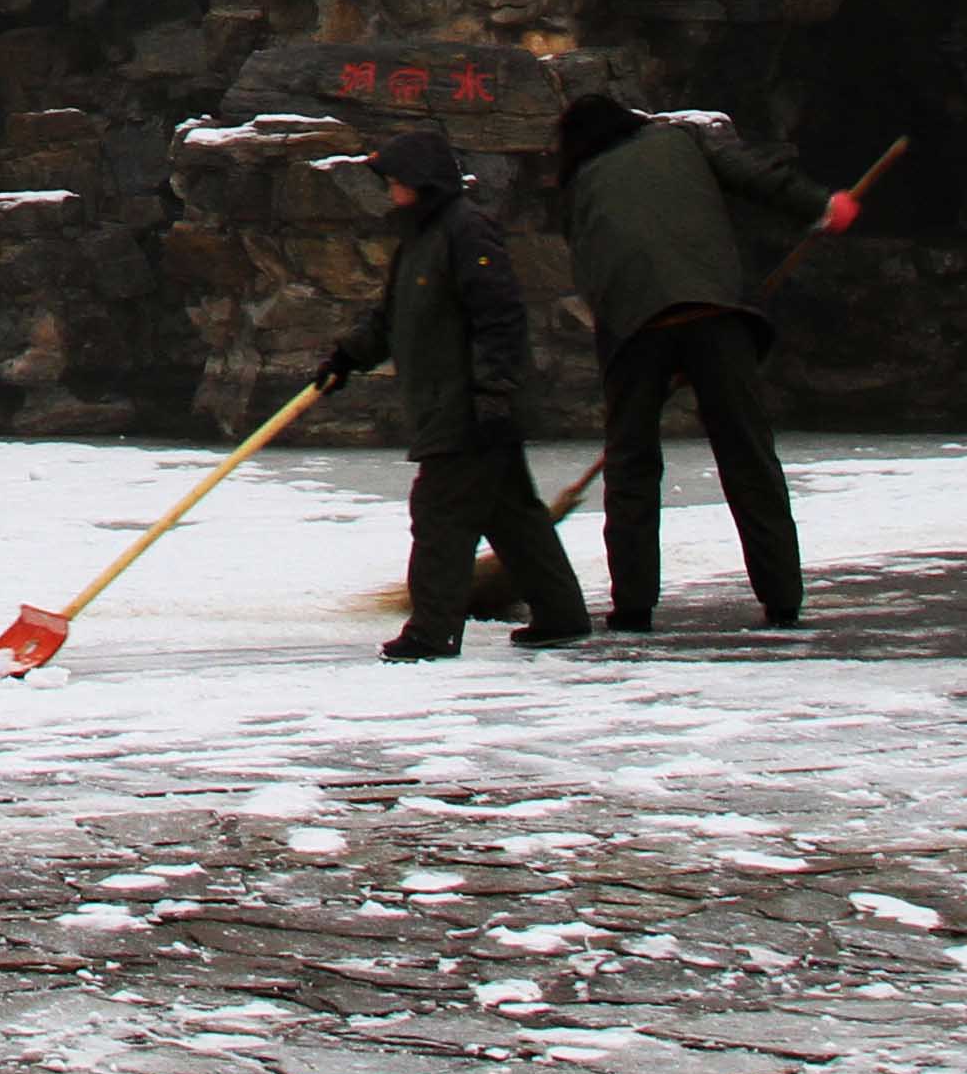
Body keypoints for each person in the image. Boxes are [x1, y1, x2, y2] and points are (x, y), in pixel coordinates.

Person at [551, 93, 852, 632]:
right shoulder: (681, 139)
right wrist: (821, 206)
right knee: (747, 458)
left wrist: (627, 362)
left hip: (635, 327)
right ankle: (782, 598)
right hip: (715, 317)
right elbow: (753, 175)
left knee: (631, 466)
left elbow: (595, 274)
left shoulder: (580, 184)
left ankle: (633, 606)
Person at [315, 128, 590, 659]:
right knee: (512, 515)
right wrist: (346, 358)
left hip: (468, 405)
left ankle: (432, 631)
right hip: (450, 403)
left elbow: (499, 317)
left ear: (422, 183)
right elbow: (391, 319)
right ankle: (560, 615)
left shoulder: (468, 232)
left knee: (439, 513)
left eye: (396, 183)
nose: (391, 194)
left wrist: (491, 392)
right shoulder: (419, 240)